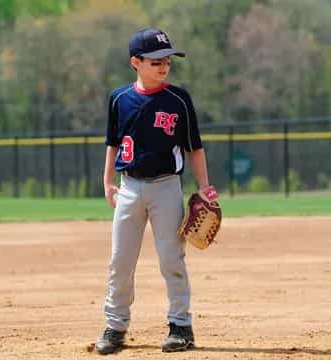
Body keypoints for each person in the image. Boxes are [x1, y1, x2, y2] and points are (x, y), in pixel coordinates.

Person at [96, 28, 217, 355]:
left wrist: (204, 187)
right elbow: (113, 144)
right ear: (135, 62)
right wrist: (108, 181)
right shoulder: (120, 99)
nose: (164, 66)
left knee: (171, 259)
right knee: (120, 261)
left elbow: (195, 147)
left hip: (166, 187)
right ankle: (115, 326)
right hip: (129, 187)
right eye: (155, 61)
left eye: (167, 60)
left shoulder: (178, 99)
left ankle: (181, 326)